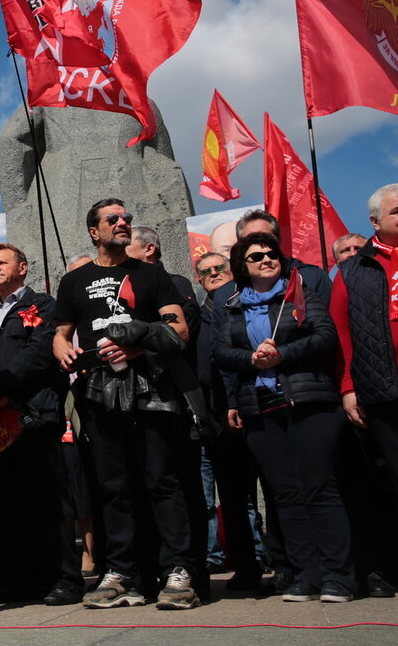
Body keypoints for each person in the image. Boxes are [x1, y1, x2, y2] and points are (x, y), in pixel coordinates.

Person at [53, 198, 197, 610]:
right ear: (94, 231)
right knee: (113, 488)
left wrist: (136, 347)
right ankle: (120, 573)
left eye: (126, 218)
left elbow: (179, 329)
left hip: (150, 391)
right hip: (97, 393)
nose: (122, 223)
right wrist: (62, 350)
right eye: (112, 219)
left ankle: (178, 572)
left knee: (161, 481)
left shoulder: (151, 274)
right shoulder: (74, 281)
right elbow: (60, 332)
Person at [212, 232, 353, 603]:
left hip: (309, 402)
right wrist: (251, 359)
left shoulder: (299, 294)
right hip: (261, 409)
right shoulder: (232, 305)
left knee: (319, 487)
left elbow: (325, 336)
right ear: (242, 266)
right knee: (286, 494)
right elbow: (221, 352)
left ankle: (338, 576)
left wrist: (283, 355)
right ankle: (306, 575)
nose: (266, 259)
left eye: (271, 253)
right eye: (256, 256)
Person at [0, 244, 82, 606]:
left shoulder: (42, 305)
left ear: (22, 268)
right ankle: (19, 581)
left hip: (34, 416)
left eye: (2, 263)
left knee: (48, 501)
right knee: (8, 504)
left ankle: (65, 578)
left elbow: (38, 353)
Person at [193, 252, 265, 593]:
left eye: (219, 267)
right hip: (215, 419)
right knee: (232, 499)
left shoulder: (245, 304)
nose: (214, 273)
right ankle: (245, 567)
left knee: (267, 492)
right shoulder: (198, 316)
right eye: (205, 271)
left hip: (254, 409)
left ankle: (275, 559)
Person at [333, 185, 398, 494]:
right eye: (396, 211)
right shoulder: (352, 271)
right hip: (385, 392)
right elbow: (341, 332)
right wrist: (348, 389)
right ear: (375, 221)